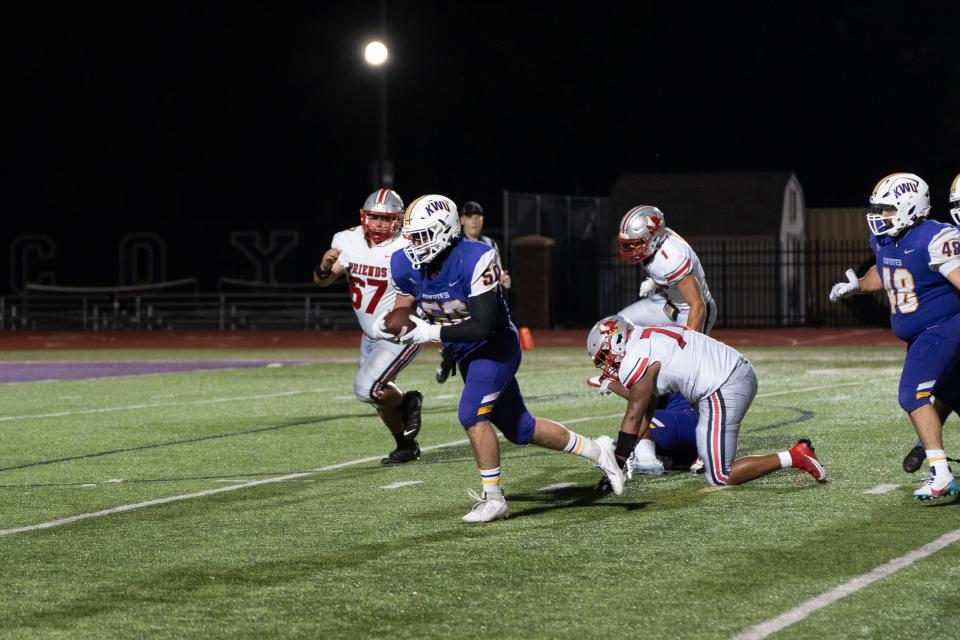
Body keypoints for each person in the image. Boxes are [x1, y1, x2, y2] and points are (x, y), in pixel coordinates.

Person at [373, 194, 624, 523]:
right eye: (413, 237)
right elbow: (405, 304)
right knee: (521, 429)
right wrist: (389, 322)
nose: (415, 245)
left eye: (422, 236)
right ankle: (598, 450)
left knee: (471, 413)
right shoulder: (405, 262)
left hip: (495, 346)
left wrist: (427, 332)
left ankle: (494, 499)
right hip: (465, 352)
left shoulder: (476, 257)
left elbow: (481, 325)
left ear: (444, 231)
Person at [829, 172, 960, 500]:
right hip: (923, 335)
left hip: (943, 328)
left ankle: (940, 473)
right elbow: (886, 271)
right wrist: (859, 284)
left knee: (911, 395)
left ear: (909, 207)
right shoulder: (886, 239)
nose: (879, 215)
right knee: (953, 395)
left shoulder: (935, 238)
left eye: (886, 209)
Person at [587, 315, 828, 489]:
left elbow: (633, 412)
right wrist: (622, 458)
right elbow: (645, 411)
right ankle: (707, 451)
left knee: (721, 475)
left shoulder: (634, 356)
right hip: (730, 374)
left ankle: (796, 455)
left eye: (606, 356)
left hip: (724, 384)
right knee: (703, 451)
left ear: (618, 341)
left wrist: (617, 461)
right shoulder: (644, 335)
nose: (608, 364)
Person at [313, 188, 424, 464]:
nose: (378, 225)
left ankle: (409, 401)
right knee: (377, 398)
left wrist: (399, 319)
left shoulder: (406, 247)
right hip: (369, 333)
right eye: (374, 218)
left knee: (368, 389)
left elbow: (410, 296)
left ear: (398, 221)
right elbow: (323, 281)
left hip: (399, 331)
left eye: (385, 220)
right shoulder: (346, 240)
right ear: (364, 217)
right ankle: (406, 446)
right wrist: (325, 267)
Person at [588, 205, 716, 392]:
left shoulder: (672, 257)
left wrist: (686, 346)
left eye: (636, 243)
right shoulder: (655, 244)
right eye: (628, 243)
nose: (630, 247)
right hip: (667, 301)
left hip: (691, 309)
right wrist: (656, 282)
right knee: (619, 324)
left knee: (680, 368)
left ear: (654, 238)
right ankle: (620, 374)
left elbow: (698, 305)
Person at [901, 172, 960, 473]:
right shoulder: (947, 237)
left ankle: (924, 446)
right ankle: (924, 444)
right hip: (952, 326)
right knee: (947, 387)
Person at [435, 200, 512, 383]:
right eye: (470, 217)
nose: (474, 221)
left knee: (484, 340)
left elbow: (496, 271)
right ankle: (448, 358)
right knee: (456, 338)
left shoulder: (489, 243)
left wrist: (502, 277)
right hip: (458, 297)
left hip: (479, 298)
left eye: (477, 217)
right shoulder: (454, 242)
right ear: (462, 220)